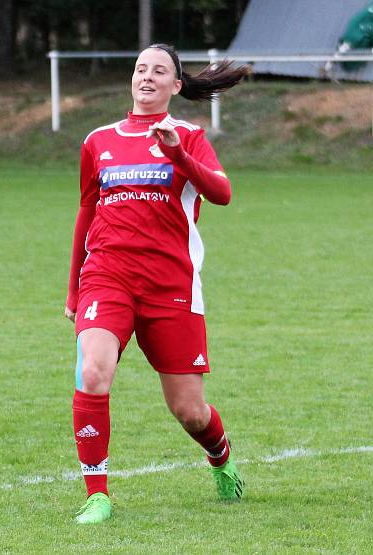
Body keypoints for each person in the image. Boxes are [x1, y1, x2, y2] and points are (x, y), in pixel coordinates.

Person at [66, 44, 250, 524]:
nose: (147, 76)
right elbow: (87, 212)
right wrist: (72, 289)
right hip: (106, 276)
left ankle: (222, 459)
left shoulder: (188, 136)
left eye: (159, 70)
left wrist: (178, 156)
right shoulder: (98, 141)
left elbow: (223, 193)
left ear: (176, 85)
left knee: (190, 411)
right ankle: (97, 494)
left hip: (171, 286)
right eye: (140, 68)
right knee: (93, 373)